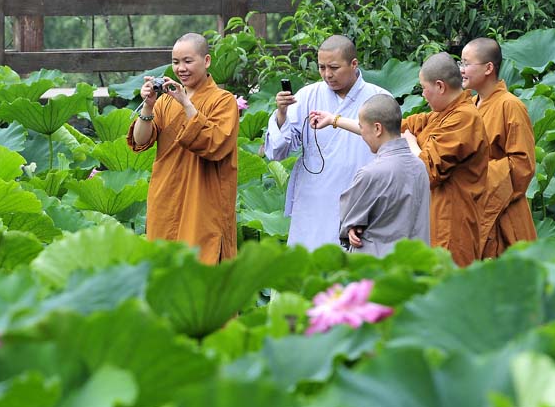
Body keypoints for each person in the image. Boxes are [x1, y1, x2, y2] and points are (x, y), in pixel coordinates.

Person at [263, 35, 390, 250]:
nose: (327, 75)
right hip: (314, 199)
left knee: (357, 274)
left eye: (334, 67)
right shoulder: (306, 96)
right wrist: (282, 113)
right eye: (322, 67)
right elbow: (279, 150)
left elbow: (391, 148)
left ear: (354, 64)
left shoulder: (379, 99)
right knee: (310, 268)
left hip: (361, 198)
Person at [127, 32, 239, 264]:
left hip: (203, 200)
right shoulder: (165, 101)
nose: (181, 69)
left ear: (206, 61)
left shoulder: (223, 100)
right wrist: (148, 107)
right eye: (176, 62)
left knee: (202, 270)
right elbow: (140, 140)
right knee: (163, 271)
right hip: (165, 197)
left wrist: (186, 104)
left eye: (188, 61)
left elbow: (216, 144)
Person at [310, 94, 430, 257]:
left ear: (378, 129)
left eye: (362, 127)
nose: (362, 133)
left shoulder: (371, 173)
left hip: (377, 267)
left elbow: (349, 218)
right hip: (414, 264)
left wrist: (351, 228)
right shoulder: (420, 166)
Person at [401, 52, 489, 267]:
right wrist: (335, 121)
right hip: (432, 215)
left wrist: (411, 142)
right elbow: (387, 129)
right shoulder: (439, 115)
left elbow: (425, 171)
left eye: (424, 87)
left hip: (452, 222)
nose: (423, 95)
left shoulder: (463, 118)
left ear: (440, 86)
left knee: (450, 284)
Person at [460, 37, 538, 258]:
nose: (462, 70)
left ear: (488, 68)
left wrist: (473, 176)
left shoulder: (510, 106)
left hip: (504, 213)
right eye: (461, 63)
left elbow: (522, 166)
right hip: (473, 211)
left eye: (466, 63)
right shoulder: (468, 105)